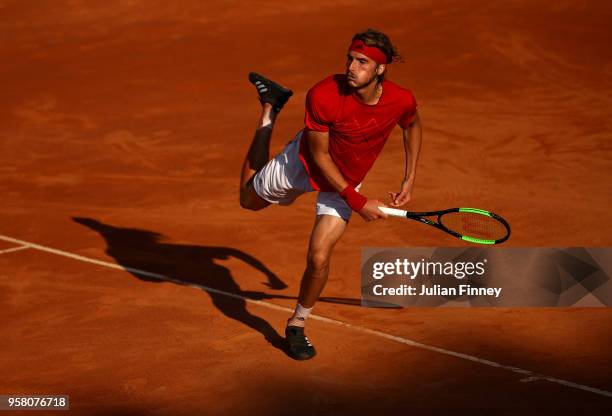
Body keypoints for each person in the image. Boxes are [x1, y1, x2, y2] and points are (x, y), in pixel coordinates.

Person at [239, 28, 422, 360]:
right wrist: (357, 201)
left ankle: (297, 324)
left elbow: (412, 125)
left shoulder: (401, 99)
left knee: (320, 256)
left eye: (362, 62)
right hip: (304, 165)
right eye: (350, 59)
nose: (352, 67)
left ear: (380, 69)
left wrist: (409, 179)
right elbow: (321, 157)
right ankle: (269, 111)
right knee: (248, 200)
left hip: (348, 181)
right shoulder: (323, 94)